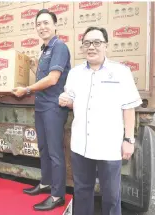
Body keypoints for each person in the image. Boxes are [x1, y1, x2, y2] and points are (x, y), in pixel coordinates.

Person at [59, 26, 142, 215]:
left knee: (112, 195)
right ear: (82, 47)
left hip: (109, 146)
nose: (92, 47)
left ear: (106, 46)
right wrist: (67, 101)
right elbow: (72, 100)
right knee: (82, 191)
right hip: (81, 145)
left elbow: (129, 107)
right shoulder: (75, 73)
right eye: (87, 43)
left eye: (97, 42)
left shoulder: (121, 72)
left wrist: (129, 140)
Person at [12, 9, 70, 211]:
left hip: (54, 106)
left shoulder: (59, 46)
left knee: (55, 152)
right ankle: (46, 183)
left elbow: (53, 79)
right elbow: (43, 76)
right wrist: (33, 68)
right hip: (41, 105)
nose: (42, 27)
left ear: (55, 25)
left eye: (46, 23)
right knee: (43, 148)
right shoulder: (44, 49)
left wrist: (27, 89)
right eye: (38, 24)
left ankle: (57, 195)